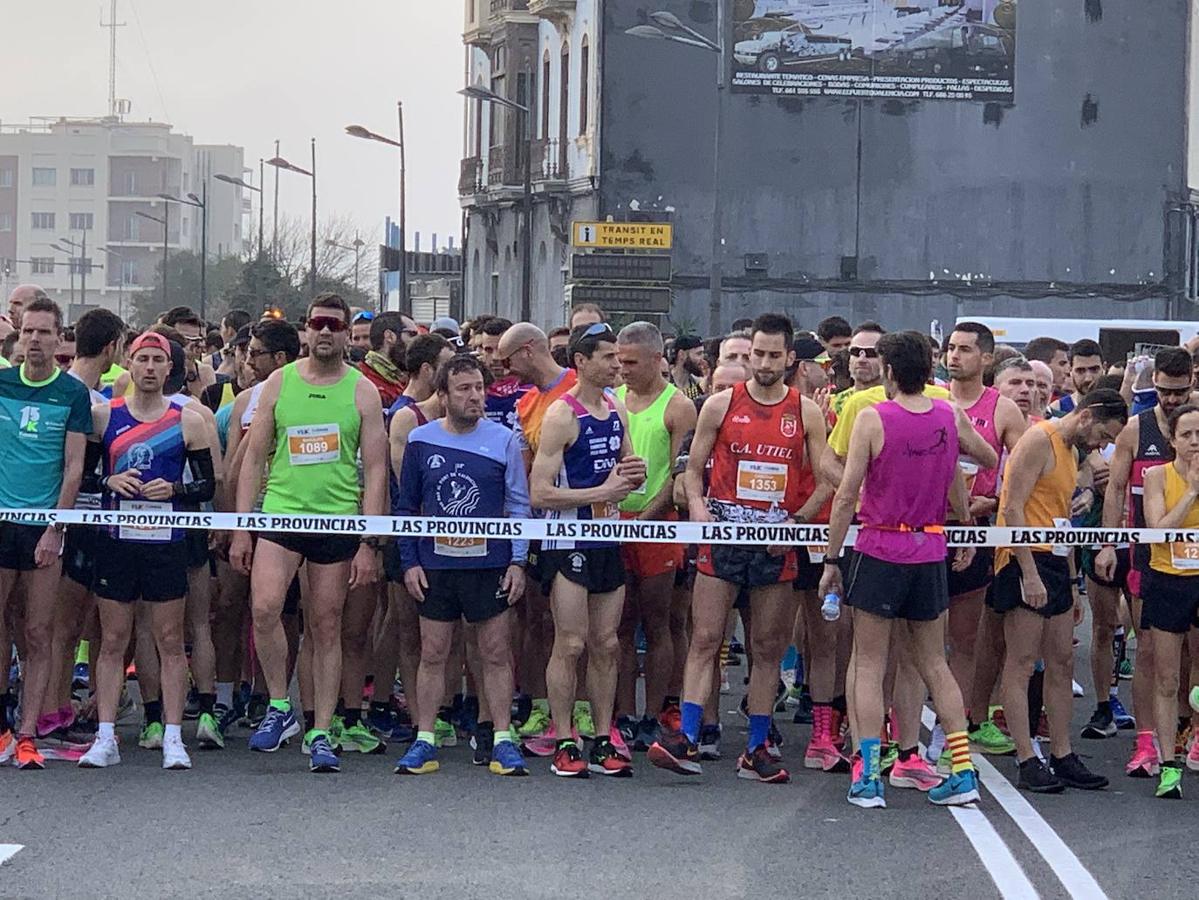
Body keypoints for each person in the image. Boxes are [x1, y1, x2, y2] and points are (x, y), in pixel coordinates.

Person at [651, 313, 828, 783]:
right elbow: (692, 469)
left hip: (774, 543)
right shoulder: (721, 404)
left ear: (790, 358)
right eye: (757, 354)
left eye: (774, 355)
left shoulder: (804, 411)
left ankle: (755, 747)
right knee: (706, 638)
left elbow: (827, 478)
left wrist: (797, 522)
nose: (764, 364)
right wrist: (700, 511)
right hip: (725, 536)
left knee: (767, 648)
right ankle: (688, 735)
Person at [819, 330, 983, 808]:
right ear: (929, 370)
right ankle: (963, 769)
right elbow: (958, 487)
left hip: (880, 545)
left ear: (889, 372)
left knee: (869, 663)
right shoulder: (949, 416)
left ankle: (868, 775)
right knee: (935, 661)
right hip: (929, 546)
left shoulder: (873, 418)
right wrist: (965, 524)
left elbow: (847, 494)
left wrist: (832, 558)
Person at [230, 292, 387, 774]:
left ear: (345, 335)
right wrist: (241, 528)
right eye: (317, 323)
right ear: (305, 330)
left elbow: (377, 469)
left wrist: (369, 541)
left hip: (337, 519)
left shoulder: (363, 390)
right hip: (280, 514)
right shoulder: (278, 382)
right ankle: (280, 705)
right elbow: (254, 457)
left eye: (333, 326)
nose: (324, 331)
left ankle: (321, 729)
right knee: (264, 608)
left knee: (325, 625)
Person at [77, 332, 216, 770]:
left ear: (169, 368)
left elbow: (207, 486)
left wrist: (174, 488)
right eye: (143, 360)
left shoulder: (187, 420)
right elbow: (81, 478)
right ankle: (105, 736)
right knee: (114, 640)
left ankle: (174, 736)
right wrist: (107, 481)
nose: (151, 368)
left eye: (159, 360)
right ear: (130, 366)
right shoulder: (105, 416)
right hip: (117, 541)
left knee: (171, 640)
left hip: (165, 543)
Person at [392, 355, 532, 777]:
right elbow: (406, 507)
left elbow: (518, 504)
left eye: (479, 388)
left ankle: (503, 740)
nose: (476, 397)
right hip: (435, 565)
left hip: (488, 564)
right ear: (443, 395)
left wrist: (518, 561)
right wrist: (409, 561)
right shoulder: (420, 440)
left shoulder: (503, 438)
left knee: (494, 652)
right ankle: (425, 739)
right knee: (433, 652)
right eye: (465, 389)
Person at [991, 388, 1127, 793]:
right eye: (1103, 435)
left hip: (1055, 557)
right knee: (1022, 660)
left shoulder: (1070, 452)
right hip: (1023, 556)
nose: (1102, 445)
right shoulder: (1039, 439)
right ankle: (1026, 757)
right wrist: (1028, 574)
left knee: (1062, 662)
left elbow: (1061, 518)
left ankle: (1062, 754)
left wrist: (1072, 582)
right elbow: (1012, 506)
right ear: (1088, 416)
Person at [529, 323, 646, 778]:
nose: (618, 365)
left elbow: (628, 473)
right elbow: (540, 493)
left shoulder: (615, 408)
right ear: (582, 362)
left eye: (619, 358)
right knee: (571, 642)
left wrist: (633, 474)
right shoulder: (563, 414)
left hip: (606, 537)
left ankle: (600, 737)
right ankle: (563, 739)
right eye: (608, 358)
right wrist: (602, 490)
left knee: (607, 644)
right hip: (568, 539)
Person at [0, 294, 92, 769]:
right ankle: (1, 726)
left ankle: (28, 734)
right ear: (18, 334)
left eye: (44, 332)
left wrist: (55, 527)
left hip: (42, 527)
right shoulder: (1, 384)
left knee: (38, 632)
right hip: (1, 522)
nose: (34, 339)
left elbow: (73, 468)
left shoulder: (71, 393)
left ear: (59, 338)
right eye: (28, 331)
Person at [1094, 346, 1194, 776]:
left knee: (1190, 657)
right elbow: (1115, 488)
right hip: (1149, 557)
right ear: (1152, 385)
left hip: (1193, 563)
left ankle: (1186, 733)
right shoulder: (1137, 428)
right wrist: (1106, 542)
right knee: (1150, 651)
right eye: (1164, 391)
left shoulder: (1195, 426)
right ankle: (1147, 743)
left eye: (1180, 391)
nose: (1171, 400)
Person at [941, 323, 1026, 756]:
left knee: (965, 639)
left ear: (987, 359)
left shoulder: (1003, 409)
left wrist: (991, 503)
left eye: (965, 350)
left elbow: (1021, 471)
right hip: (925, 529)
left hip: (972, 530)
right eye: (951, 349)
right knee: (913, 642)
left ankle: (952, 729)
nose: (954, 357)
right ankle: (893, 732)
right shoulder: (932, 398)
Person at [613, 323, 697, 749]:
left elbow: (680, 473)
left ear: (654, 359)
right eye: (617, 361)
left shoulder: (678, 406)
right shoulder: (614, 401)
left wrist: (647, 517)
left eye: (630, 362)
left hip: (658, 526)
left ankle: (656, 710)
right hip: (618, 519)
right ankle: (624, 711)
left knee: (659, 621)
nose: (621, 369)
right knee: (621, 624)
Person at [1139, 403, 1199, 798]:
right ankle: (1168, 764)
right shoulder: (1157, 476)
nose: (1195, 442)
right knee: (1167, 677)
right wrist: (1192, 491)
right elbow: (1158, 530)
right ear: (1172, 440)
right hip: (1168, 580)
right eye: (1187, 435)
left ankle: (1194, 734)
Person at [358, 311, 419, 409]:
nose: (417, 341)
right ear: (389, 336)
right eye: (412, 334)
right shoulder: (362, 378)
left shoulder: (403, 378)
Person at [830, 322, 885, 417]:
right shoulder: (831, 404)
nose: (861, 360)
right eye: (855, 352)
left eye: (871, 353)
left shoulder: (898, 403)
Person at [1049, 339, 1105, 415]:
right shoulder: (1057, 409)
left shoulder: (1117, 407)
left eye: (1094, 369)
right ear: (1070, 369)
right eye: (1080, 370)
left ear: (1104, 368)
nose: (1088, 378)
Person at [668, 334, 706, 401]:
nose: (702, 359)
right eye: (698, 354)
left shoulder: (699, 385)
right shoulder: (665, 383)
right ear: (682, 354)